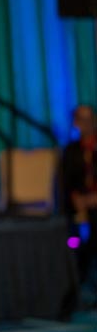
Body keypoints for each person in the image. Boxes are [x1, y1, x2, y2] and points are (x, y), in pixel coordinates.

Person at [61, 104, 97, 307]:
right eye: (81, 120)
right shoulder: (71, 151)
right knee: (74, 240)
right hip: (79, 210)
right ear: (76, 123)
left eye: (90, 119)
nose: (87, 124)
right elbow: (67, 183)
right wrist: (79, 200)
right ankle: (77, 288)